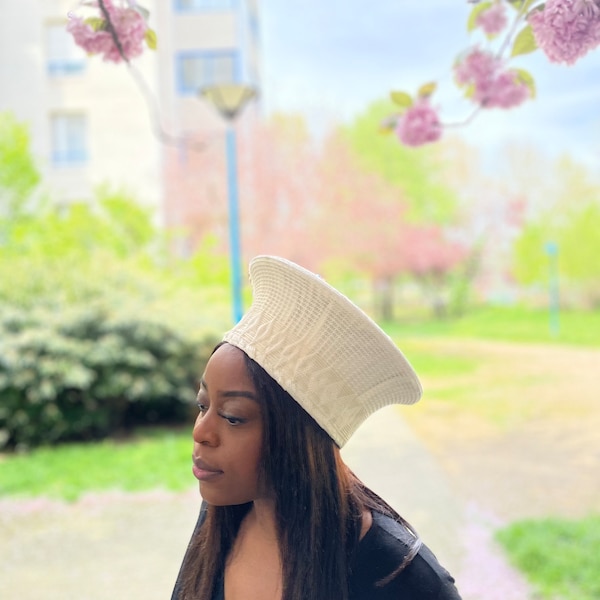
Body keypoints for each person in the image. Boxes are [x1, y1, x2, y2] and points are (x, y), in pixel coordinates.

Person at [171, 255, 462, 600]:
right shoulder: (222, 515)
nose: (201, 432)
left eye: (233, 416)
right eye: (202, 405)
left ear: (300, 438)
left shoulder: (399, 577)